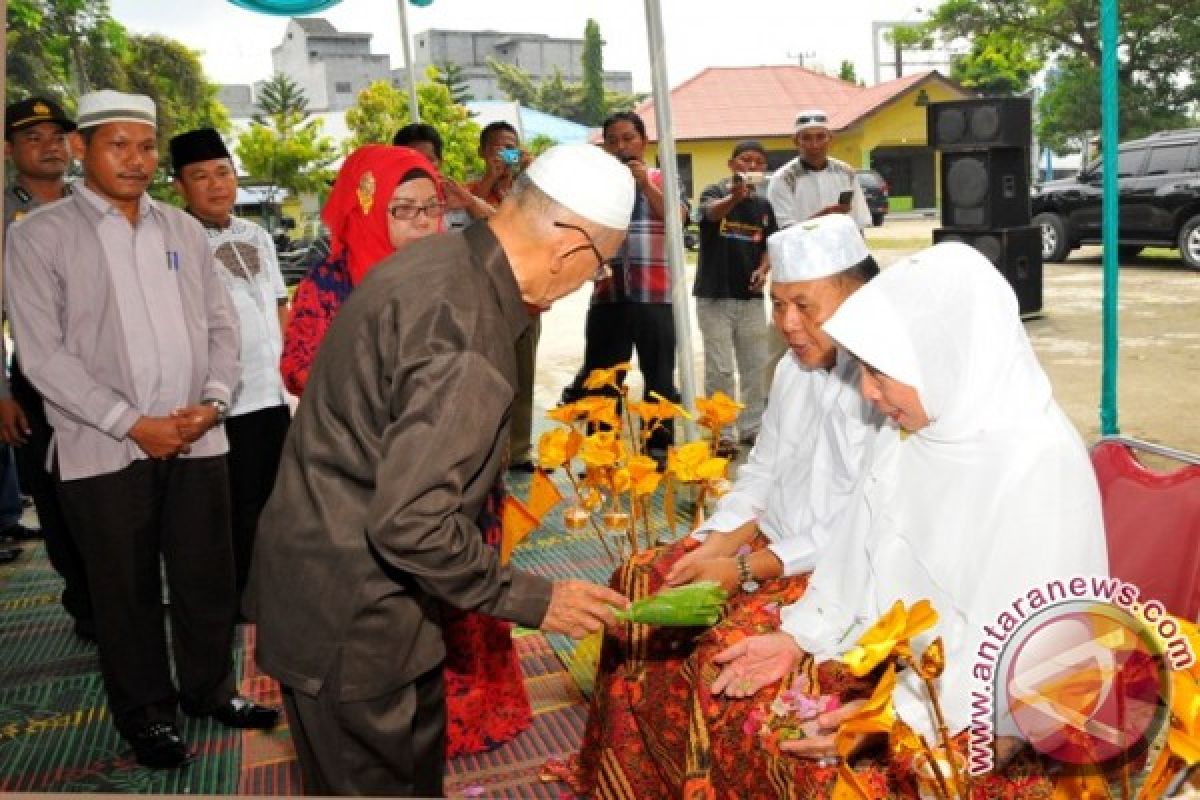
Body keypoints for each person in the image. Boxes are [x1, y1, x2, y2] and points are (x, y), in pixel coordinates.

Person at [246, 143, 635, 797]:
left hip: (353, 588)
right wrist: (543, 599)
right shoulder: (468, 334)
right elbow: (414, 526)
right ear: (568, 248)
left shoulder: (438, 260)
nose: (584, 286)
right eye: (598, 267)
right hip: (356, 616)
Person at [706, 242, 1108, 796]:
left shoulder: (1037, 464)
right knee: (733, 698)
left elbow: (1020, 658)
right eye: (863, 370)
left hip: (990, 712)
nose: (868, 394)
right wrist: (798, 637)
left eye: (880, 372)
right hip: (897, 665)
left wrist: (893, 720)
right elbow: (856, 551)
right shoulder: (912, 431)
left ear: (944, 359)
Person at [553, 214, 882, 798]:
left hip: (827, 574)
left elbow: (859, 525)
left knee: (716, 653)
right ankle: (633, 780)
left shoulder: (887, 386)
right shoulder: (792, 369)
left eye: (805, 306)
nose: (787, 324)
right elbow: (763, 471)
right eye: (778, 305)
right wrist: (714, 542)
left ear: (861, 297)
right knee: (640, 577)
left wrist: (744, 570)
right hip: (763, 548)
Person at [5, 90, 279, 770]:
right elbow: (41, 356)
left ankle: (210, 690)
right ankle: (146, 715)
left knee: (205, 576)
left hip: (197, 436)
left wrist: (214, 401)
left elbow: (220, 326)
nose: (136, 159)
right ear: (82, 148)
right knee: (123, 590)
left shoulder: (183, 231)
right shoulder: (38, 235)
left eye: (146, 145)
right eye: (117, 145)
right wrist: (133, 424)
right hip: (104, 447)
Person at [280, 142, 543, 758]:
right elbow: (298, 366)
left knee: (463, 584)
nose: (428, 226)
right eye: (406, 211)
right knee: (398, 613)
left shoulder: (457, 275)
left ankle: (474, 712)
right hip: (371, 483)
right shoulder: (334, 282)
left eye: (434, 210)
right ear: (368, 213)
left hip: (454, 474)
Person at [169, 128, 290, 601]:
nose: (216, 185)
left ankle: (276, 584)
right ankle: (242, 593)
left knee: (278, 498)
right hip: (224, 400)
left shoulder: (256, 235)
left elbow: (279, 305)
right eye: (200, 176)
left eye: (223, 172)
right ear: (179, 186)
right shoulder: (176, 240)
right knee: (235, 505)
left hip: (273, 392)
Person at [560, 110, 688, 457]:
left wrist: (645, 185)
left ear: (644, 142)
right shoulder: (595, 186)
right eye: (612, 141)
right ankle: (601, 453)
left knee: (659, 379)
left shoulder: (664, 177)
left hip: (656, 296)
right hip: (607, 297)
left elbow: (680, 219)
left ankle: (657, 452)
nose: (621, 147)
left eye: (628, 138)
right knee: (602, 382)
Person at [1, 97, 80, 573]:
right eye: (34, 138)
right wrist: (3, 393)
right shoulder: (7, 213)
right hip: (35, 373)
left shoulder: (92, 201)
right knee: (55, 494)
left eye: (57, 137)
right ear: (8, 150)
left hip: (104, 363)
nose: (50, 147)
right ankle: (85, 602)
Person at [693, 140, 778, 450]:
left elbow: (769, 244)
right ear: (732, 165)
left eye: (757, 162)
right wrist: (734, 197)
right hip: (714, 296)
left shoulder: (765, 206)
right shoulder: (714, 192)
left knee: (755, 366)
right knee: (720, 369)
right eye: (745, 160)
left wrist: (763, 269)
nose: (751, 166)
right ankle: (721, 432)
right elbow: (711, 215)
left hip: (751, 299)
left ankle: (752, 427)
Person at [468, 121, 540, 472]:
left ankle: (520, 449)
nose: (504, 154)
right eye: (497, 148)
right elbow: (471, 218)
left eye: (511, 147)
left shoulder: (528, 188)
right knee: (483, 376)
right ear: (483, 152)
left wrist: (529, 175)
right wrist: (488, 182)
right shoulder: (470, 190)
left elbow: (536, 222)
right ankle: (484, 451)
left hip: (525, 297)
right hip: (482, 299)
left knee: (523, 376)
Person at [766, 108, 872, 230]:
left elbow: (858, 222)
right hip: (802, 248)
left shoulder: (845, 172)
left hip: (840, 248)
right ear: (796, 141)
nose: (815, 144)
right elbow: (785, 231)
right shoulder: (784, 178)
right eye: (807, 138)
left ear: (830, 139)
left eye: (820, 137)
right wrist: (825, 215)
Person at [393, 122, 493, 224]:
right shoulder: (388, 202)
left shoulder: (458, 195)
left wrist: (470, 203)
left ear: (440, 162)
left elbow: (502, 229)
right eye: (413, 160)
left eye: (428, 160)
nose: (422, 166)